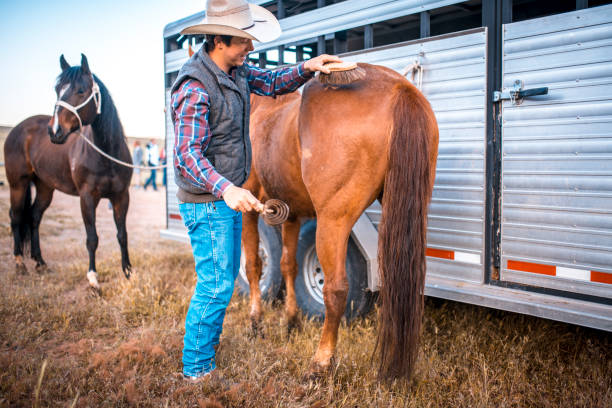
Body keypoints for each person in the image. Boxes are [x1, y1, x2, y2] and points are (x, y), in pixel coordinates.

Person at [171, 0, 341, 383]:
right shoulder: (195, 86)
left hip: (223, 197)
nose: (250, 49)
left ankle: (204, 356)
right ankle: (196, 371)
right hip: (208, 201)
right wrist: (227, 189)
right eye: (243, 42)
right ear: (218, 40)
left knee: (224, 279)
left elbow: (272, 82)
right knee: (215, 285)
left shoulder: (236, 71)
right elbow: (186, 155)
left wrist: (307, 68)